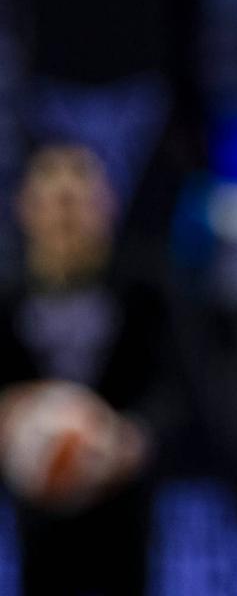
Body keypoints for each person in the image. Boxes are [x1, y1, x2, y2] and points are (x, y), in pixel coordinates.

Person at [0, 142, 176, 595]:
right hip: (33, 516)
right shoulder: (5, 299)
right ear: (25, 208)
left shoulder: (147, 292)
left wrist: (134, 437)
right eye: (55, 201)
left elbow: (179, 390)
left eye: (78, 200)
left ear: (107, 207)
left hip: (124, 509)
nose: (66, 215)